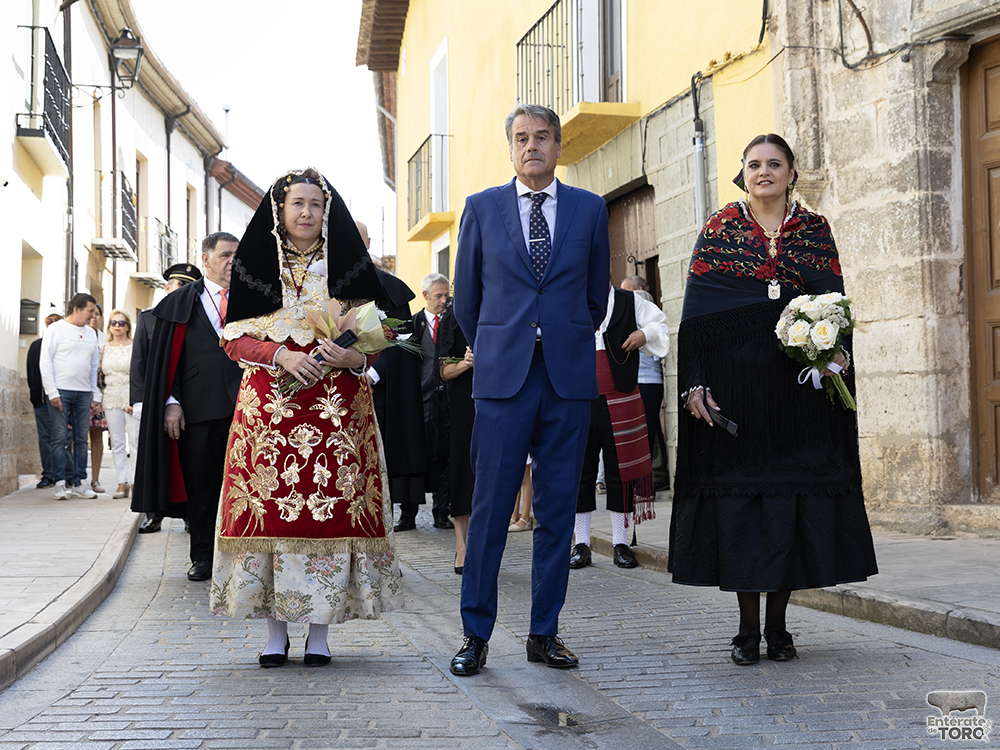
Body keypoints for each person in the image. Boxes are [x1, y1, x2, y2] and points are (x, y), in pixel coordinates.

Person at [668, 133, 878, 665]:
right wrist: (694, 383)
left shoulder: (814, 230)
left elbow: (834, 304)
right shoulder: (719, 229)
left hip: (798, 399)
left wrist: (837, 356)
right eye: (755, 164)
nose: (764, 172)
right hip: (736, 395)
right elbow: (695, 319)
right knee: (743, 511)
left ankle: (779, 629)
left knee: (789, 508)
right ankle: (746, 632)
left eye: (775, 164)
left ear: (791, 173)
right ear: (743, 173)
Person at [210, 168, 402, 668]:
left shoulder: (350, 269)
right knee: (268, 512)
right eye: (298, 203)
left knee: (330, 510)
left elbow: (377, 338)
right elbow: (233, 340)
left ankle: (320, 633)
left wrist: (354, 358)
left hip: (336, 413)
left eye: (316, 204)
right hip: (269, 414)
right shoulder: (254, 266)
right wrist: (280, 354)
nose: (306, 212)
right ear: (281, 209)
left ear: (326, 212)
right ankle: (275, 634)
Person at [450, 103, 610, 676]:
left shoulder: (590, 209)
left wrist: (561, 336)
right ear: (511, 148)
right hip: (502, 382)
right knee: (491, 509)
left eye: (542, 137)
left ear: (558, 147)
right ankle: (475, 635)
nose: (532, 146)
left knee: (557, 510)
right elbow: (466, 300)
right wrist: (499, 345)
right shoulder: (481, 208)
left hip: (566, 378)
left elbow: (596, 297)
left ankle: (545, 633)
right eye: (521, 138)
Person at [132, 233, 242, 582]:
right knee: (202, 488)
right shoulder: (179, 302)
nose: (233, 262)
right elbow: (166, 362)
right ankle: (203, 557)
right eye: (225, 255)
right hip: (197, 409)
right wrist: (171, 403)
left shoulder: (254, 299)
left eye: (237, 255)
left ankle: (244, 561)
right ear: (206, 259)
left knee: (246, 487)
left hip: (248, 408)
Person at [571, 283, 669, 570]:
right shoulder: (571, 296)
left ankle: (620, 543)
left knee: (620, 473)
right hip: (579, 398)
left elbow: (660, 325)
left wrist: (644, 334)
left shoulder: (629, 301)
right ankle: (581, 543)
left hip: (622, 396)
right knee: (581, 472)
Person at [357, 222, 428, 535]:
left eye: (358, 237)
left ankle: (403, 511)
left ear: (369, 242)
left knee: (392, 446)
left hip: (384, 387)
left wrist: (373, 371)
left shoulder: (390, 287)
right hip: (342, 387)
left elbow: (400, 339)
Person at [130, 262, 202, 533]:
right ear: (167, 287)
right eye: (179, 284)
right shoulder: (149, 317)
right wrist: (139, 400)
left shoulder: (200, 317)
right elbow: (139, 362)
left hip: (193, 398)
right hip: (157, 397)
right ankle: (154, 515)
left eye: (188, 285)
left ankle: (190, 515)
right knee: (156, 457)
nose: (182, 289)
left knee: (189, 460)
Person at [395, 273, 453, 531]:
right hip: (418, 401)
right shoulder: (411, 325)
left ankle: (442, 512)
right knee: (413, 455)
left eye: (446, 295)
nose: (443, 300)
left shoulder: (454, 323)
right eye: (439, 296)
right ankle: (408, 515)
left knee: (445, 456)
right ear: (425, 296)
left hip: (447, 401)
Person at [39, 293, 101, 500]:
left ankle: (79, 483)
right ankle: (59, 483)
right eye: (90, 311)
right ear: (76, 309)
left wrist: (95, 394)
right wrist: (52, 392)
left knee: (81, 440)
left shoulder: (91, 333)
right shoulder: (56, 329)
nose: (93, 316)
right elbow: (45, 361)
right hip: (61, 392)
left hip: (83, 393)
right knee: (59, 438)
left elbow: (94, 367)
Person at [620, 275, 671, 491]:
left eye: (627, 289)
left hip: (647, 381)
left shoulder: (642, 305)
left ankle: (644, 482)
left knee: (644, 432)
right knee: (641, 431)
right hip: (638, 380)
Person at [439, 307, 474, 573]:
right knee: (463, 471)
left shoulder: (505, 305)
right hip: (464, 400)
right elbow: (443, 371)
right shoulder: (454, 316)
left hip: (500, 397)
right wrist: (466, 363)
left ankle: (482, 544)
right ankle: (462, 546)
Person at [27, 313, 70, 489]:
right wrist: (35, 396)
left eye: (56, 321)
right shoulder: (36, 345)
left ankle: (68, 475)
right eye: (49, 321)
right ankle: (49, 475)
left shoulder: (66, 345)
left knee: (65, 438)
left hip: (64, 399)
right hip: (42, 401)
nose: (52, 324)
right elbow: (31, 372)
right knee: (45, 438)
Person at [102, 309, 137, 498]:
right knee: (117, 442)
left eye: (121, 323)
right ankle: (121, 482)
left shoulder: (135, 346)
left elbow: (139, 373)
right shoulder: (104, 347)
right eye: (113, 323)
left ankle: (135, 481)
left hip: (131, 398)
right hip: (111, 397)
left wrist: (135, 399)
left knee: (135, 441)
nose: (117, 326)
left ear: (127, 326)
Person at [87, 305, 109, 494]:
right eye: (91, 313)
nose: (94, 317)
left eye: (97, 314)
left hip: (100, 394)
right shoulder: (76, 335)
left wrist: (98, 397)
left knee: (96, 436)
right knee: (76, 439)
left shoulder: (105, 339)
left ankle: (95, 480)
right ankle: (75, 479)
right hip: (79, 392)